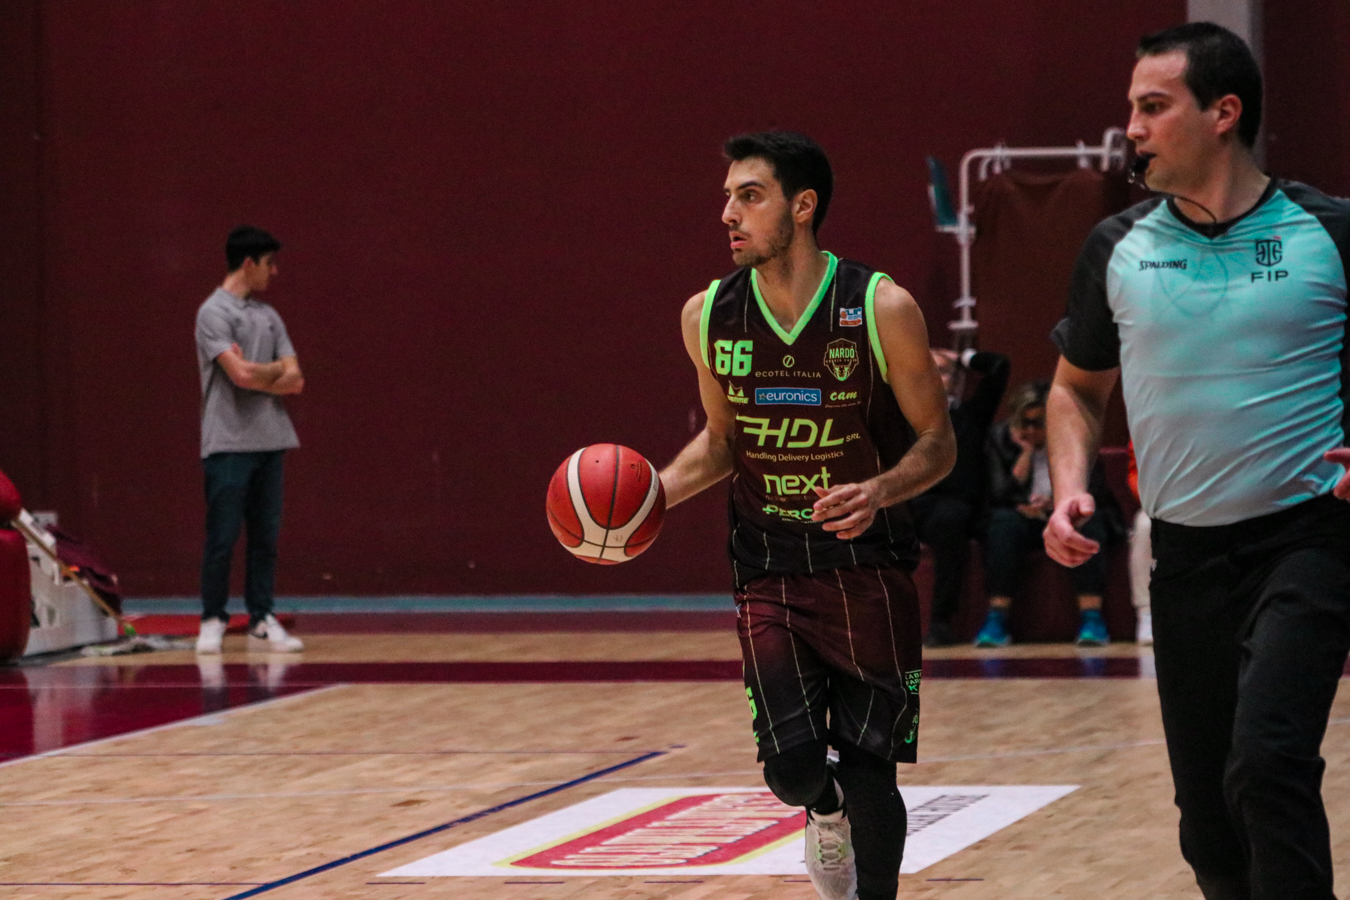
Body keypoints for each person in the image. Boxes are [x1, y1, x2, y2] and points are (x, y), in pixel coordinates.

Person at [1044, 23, 1350, 900]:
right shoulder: (1116, 248)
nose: (1132, 128)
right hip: (1183, 558)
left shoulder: (1329, 232)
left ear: (1224, 113)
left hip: (1308, 541)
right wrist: (1069, 489)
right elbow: (1074, 390)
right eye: (1131, 108)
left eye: (1153, 106)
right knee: (1209, 825)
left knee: (1268, 762)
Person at [660, 132, 955, 900]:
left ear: (803, 206)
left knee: (871, 770)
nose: (729, 214)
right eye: (727, 197)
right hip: (770, 565)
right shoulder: (708, 316)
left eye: (749, 196)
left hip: (868, 565)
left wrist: (880, 489)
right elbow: (720, 445)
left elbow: (939, 442)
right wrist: (647, 499)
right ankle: (822, 812)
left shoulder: (881, 307)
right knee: (791, 769)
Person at [195, 226, 306, 655]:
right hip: (228, 443)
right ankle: (212, 618)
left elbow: (296, 380)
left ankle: (262, 617)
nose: (274, 272)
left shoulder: (269, 316)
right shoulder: (212, 313)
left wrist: (263, 372)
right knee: (222, 536)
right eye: (269, 263)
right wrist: (272, 369)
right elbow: (239, 376)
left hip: (270, 440)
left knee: (265, 539)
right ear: (248, 263)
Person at [974, 381, 1117, 647]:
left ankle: (1092, 618)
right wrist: (1027, 453)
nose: (1030, 430)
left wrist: (1056, 504)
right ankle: (996, 619)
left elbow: (1095, 490)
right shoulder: (1000, 438)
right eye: (1024, 423)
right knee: (1003, 523)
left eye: (1038, 423)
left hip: (1064, 515)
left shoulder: (1076, 438)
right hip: (1023, 518)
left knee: (1088, 520)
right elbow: (998, 494)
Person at [911, 348, 1009, 646]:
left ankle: (940, 622)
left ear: (955, 380)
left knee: (950, 519)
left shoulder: (971, 415)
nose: (935, 377)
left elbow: (999, 366)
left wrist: (963, 357)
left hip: (955, 507)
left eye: (943, 371)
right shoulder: (900, 415)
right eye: (928, 370)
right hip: (909, 504)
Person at [1126, 442, 1153, 645]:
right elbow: (1136, 473)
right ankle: (1147, 612)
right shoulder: (1147, 426)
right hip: (1160, 503)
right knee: (1144, 525)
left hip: (1212, 502)